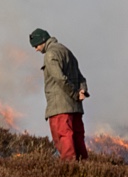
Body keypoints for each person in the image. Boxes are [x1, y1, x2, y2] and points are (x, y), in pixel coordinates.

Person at [30, 28, 89, 161]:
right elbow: (81, 78)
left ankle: (68, 169)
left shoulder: (50, 54)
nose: (36, 49)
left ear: (42, 41)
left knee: (63, 138)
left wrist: (75, 94)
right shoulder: (66, 51)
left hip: (60, 107)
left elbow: (60, 79)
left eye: (36, 45)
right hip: (75, 108)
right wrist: (82, 91)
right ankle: (84, 168)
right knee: (78, 140)